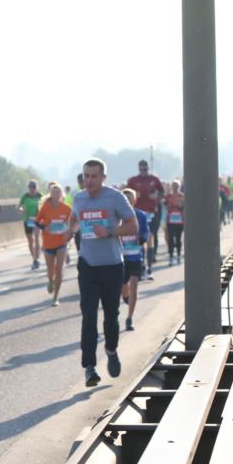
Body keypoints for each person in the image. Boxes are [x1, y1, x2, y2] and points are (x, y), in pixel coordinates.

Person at [64, 158, 138, 387]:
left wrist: (109, 232)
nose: (89, 180)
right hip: (87, 265)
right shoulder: (79, 198)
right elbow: (74, 220)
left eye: (94, 176)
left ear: (103, 178)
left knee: (111, 314)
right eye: (86, 176)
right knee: (88, 315)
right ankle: (89, 367)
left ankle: (111, 350)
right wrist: (69, 233)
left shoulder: (115, 198)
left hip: (112, 265)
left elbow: (132, 226)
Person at [35, 182, 72, 306]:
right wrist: (44, 227)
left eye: (58, 192)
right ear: (50, 194)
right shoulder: (45, 206)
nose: (56, 194)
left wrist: (69, 236)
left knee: (59, 269)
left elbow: (71, 225)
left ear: (62, 194)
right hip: (48, 243)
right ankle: (50, 280)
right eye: (53, 192)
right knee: (51, 270)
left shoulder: (67, 209)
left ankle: (56, 297)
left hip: (61, 243)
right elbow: (36, 221)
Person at [126, 160, 164, 281]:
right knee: (139, 241)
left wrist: (157, 196)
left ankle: (149, 269)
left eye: (146, 169)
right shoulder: (133, 181)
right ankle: (141, 268)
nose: (144, 171)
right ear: (139, 169)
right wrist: (134, 196)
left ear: (148, 168)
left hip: (151, 212)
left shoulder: (154, 179)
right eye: (142, 169)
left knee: (149, 239)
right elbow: (125, 195)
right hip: (137, 214)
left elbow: (162, 191)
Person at [119, 188, 150, 331]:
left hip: (136, 256)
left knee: (134, 285)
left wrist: (141, 238)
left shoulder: (140, 215)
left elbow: (145, 232)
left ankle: (129, 318)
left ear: (134, 200)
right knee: (124, 289)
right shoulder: (117, 216)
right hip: (120, 257)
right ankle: (126, 297)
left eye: (130, 198)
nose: (128, 201)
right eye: (125, 198)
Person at [18, 180, 43, 269]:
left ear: (36, 188)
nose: (32, 189)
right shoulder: (25, 196)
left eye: (34, 187)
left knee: (36, 239)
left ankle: (36, 259)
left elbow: (45, 206)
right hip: (27, 220)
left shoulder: (40, 196)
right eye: (30, 187)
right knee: (30, 241)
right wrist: (22, 210)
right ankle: (34, 259)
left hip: (37, 220)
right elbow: (19, 206)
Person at [164, 180, 185, 265]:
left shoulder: (182, 196)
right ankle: (171, 257)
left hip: (180, 221)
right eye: (174, 186)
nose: (175, 188)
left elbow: (184, 206)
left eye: (177, 186)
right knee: (171, 239)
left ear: (179, 187)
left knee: (178, 239)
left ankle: (179, 256)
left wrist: (180, 206)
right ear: (172, 187)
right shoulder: (168, 196)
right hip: (170, 220)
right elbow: (165, 205)